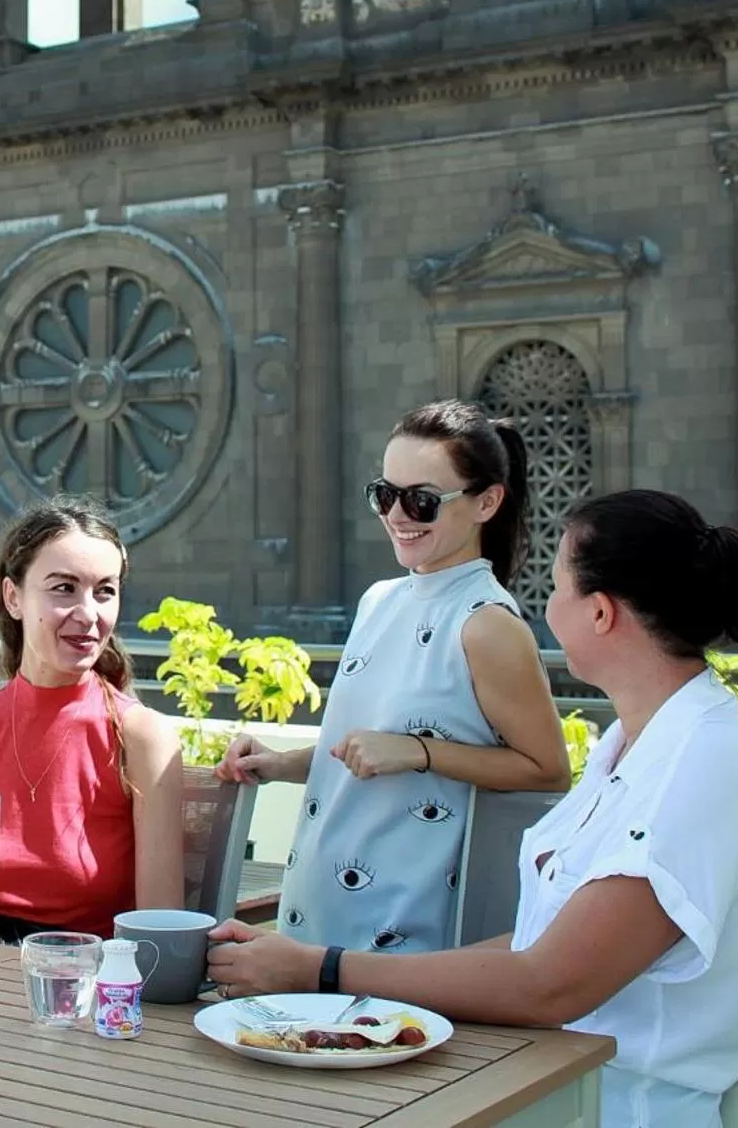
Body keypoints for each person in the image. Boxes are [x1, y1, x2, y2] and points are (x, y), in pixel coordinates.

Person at [205, 489, 738, 1128]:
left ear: (600, 613)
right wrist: (330, 980)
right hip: (535, 1073)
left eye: (558, 584)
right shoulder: (632, 746)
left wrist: (320, 970)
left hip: (617, 1105)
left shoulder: (701, 769)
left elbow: (551, 983)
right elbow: (541, 944)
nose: (546, 606)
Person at [216, 400, 569, 955]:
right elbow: (370, 742)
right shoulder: (380, 599)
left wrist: (419, 751)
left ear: (487, 503)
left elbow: (548, 771)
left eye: (421, 501)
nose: (397, 515)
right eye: (385, 495)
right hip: (315, 909)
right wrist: (281, 764)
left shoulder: (486, 624)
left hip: (406, 931)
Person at [0, 495, 183, 942]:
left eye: (105, 591)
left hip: (83, 977)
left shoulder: (141, 736)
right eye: (63, 588)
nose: (89, 614)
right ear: (13, 597)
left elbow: (158, 931)